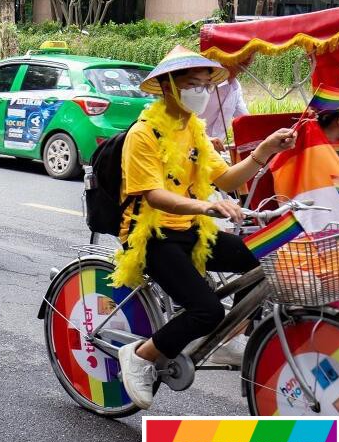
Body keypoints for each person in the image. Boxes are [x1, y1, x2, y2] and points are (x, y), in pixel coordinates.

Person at [114, 46, 297, 411]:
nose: (199, 91)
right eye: (191, 84)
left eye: (203, 84)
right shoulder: (144, 134)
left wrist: (264, 149)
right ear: (168, 87)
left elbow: (226, 175)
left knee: (264, 259)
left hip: (192, 229)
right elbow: (153, 196)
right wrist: (207, 204)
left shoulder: (194, 130)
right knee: (206, 310)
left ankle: (231, 336)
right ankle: (139, 355)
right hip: (153, 235)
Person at [198, 75, 249, 151]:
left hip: (215, 153)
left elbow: (246, 121)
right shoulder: (199, 84)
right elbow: (182, 119)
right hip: (190, 148)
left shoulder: (236, 87)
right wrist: (205, 139)